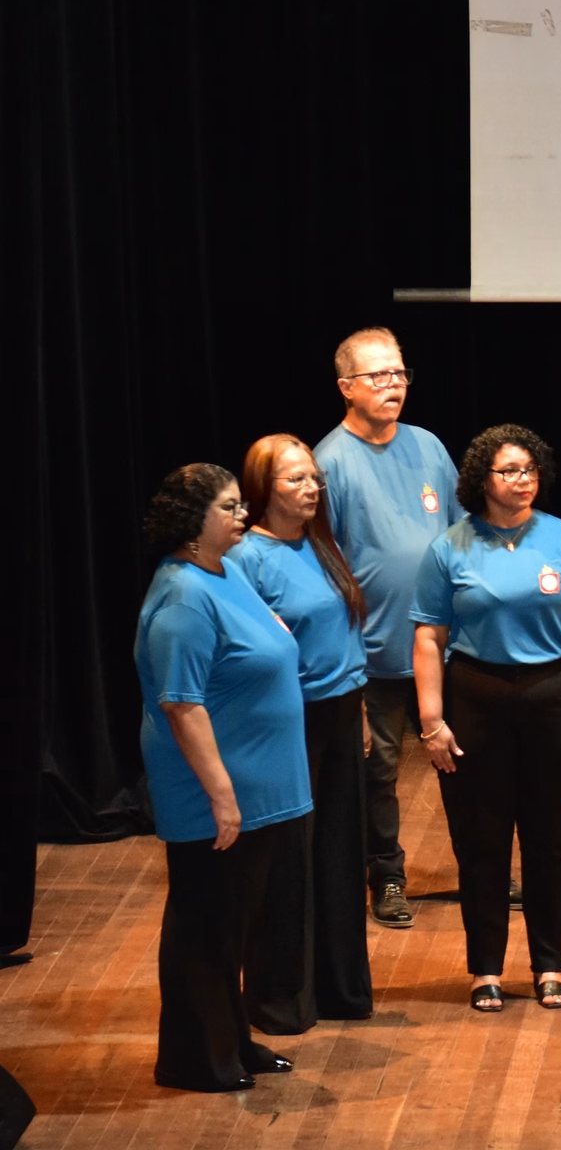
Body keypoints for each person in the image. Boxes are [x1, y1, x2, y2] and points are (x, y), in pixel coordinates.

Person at [411, 426, 561, 1012]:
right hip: (477, 698)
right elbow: (429, 636)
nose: (522, 481)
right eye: (509, 471)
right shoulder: (451, 547)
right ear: (482, 480)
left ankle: (550, 965)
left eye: (529, 470)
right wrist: (431, 719)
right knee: (482, 841)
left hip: (555, 695)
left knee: (549, 840)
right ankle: (486, 970)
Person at [134, 465, 307, 1092]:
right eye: (229, 508)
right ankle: (194, 1059)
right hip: (213, 793)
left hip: (259, 787)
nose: (242, 515)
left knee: (232, 925)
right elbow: (181, 704)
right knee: (204, 926)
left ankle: (232, 1040)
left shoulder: (226, 571)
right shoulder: (182, 597)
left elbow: (267, 641)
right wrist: (222, 796)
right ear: (192, 523)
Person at [314, 327, 462, 929]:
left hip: (445, 649)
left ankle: (481, 867)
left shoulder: (428, 446)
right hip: (372, 654)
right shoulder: (330, 463)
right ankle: (388, 875)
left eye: (399, 373)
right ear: (347, 387)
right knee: (377, 774)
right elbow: (328, 573)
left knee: (466, 760)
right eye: (378, 376)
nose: (393, 385)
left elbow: (459, 536)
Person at [229, 435, 375, 1033]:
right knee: (288, 864)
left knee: (340, 856)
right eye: (295, 480)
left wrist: (360, 710)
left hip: (340, 714)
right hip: (288, 722)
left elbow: (343, 637)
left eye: (314, 478)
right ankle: (279, 998)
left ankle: (339, 990)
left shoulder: (321, 545)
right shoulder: (246, 559)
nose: (311, 488)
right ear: (264, 489)